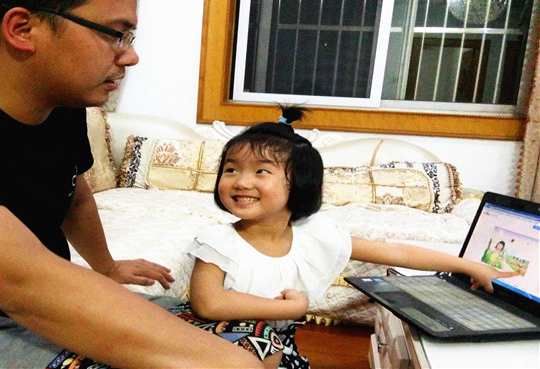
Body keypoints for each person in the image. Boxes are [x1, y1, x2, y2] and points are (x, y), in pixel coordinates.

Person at [0, 0, 264, 368]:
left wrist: (108, 268)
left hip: (40, 306)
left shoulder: (60, 100)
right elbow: (20, 281)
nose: (130, 56)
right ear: (22, 28)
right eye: (115, 34)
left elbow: (74, 195)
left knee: (260, 339)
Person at [184, 106, 516, 368]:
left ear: (299, 184)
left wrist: (470, 266)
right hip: (216, 346)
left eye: (261, 171)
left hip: (279, 352)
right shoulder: (218, 241)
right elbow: (208, 303)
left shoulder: (313, 236)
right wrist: (287, 307)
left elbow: (394, 252)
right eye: (231, 169)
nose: (241, 182)